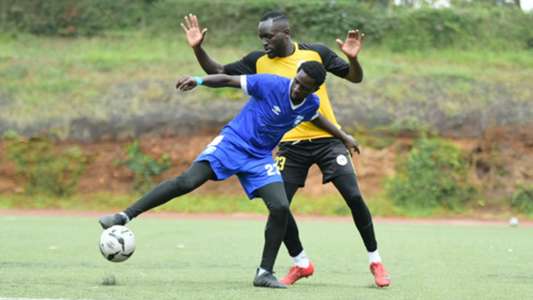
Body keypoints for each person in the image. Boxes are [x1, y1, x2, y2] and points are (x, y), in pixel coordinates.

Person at [98, 61, 359, 289]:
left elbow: (317, 118)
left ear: (315, 89)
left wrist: (344, 136)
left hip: (259, 158)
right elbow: (227, 79)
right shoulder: (270, 84)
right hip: (232, 144)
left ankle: (264, 273)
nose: (297, 88)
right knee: (187, 181)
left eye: (304, 86)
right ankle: (124, 215)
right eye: (297, 81)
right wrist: (198, 80)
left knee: (280, 206)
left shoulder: (310, 102)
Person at [180, 12, 391, 287]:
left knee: (353, 195)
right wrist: (198, 49)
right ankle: (301, 262)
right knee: (280, 206)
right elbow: (218, 72)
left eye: (268, 36)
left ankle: (375, 260)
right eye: (261, 38)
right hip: (290, 146)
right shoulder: (257, 61)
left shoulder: (317, 54)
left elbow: (354, 77)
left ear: (286, 33)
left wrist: (352, 59)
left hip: (327, 140)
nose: (264, 42)